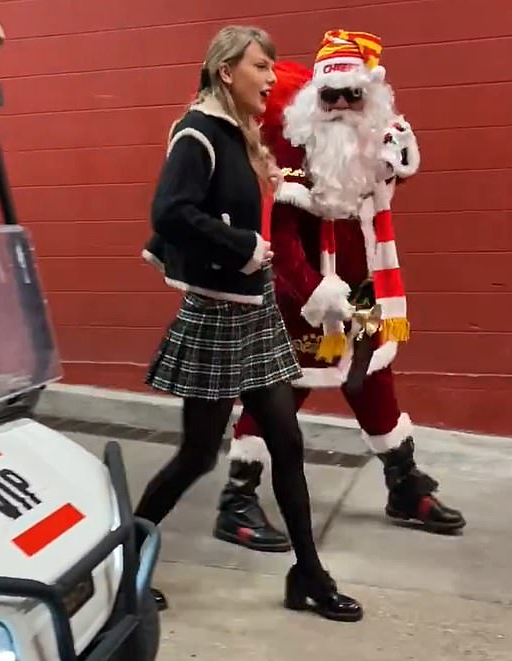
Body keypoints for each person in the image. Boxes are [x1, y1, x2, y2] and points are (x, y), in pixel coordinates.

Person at [137, 25, 362, 622]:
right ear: (226, 71)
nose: (271, 77)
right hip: (217, 310)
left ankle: (308, 575)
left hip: (253, 310)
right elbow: (171, 210)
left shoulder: (240, 134)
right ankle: (123, 558)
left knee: (287, 442)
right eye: (261, 66)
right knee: (197, 454)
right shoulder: (198, 133)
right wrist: (242, 245)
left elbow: (235, 198)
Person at [212, 30, 466, 554]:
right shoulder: (289, 152)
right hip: (302, 295)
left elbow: (380, 190)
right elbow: (276, 231)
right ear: (315, 101)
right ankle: (237, 499)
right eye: (332, 97)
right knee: (283, 390)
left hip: (365, 289)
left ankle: (403, 483)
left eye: (355, 96)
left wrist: (402, 160)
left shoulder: (370, 142)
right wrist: (310, 290)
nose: (344, 107)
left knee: (372, 376)